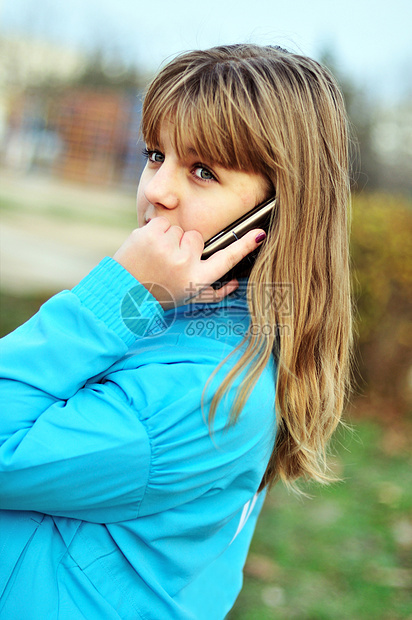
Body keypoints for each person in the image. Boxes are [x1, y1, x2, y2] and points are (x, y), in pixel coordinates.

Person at [0, 44, 352, 619]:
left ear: (277, 212)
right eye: (155, 154)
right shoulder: (184, 311)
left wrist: (110, 298)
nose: (158, 190)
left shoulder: (195, 393)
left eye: (203, 171)